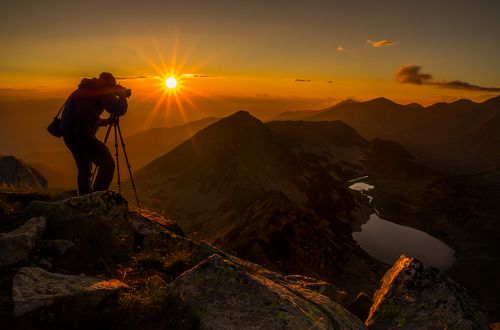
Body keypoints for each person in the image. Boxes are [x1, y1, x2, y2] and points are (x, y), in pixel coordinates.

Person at [60, 72, 128, 195]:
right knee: (107, 165)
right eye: (113, 86)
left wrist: (105, 122)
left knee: (84, 168)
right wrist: (122, 96)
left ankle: (85, 198)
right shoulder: (101, 90)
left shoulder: (86, 88)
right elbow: (119, 109)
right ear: (107, 84)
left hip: (69, 134)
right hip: (80, 136)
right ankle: (97, 197)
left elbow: (83, 115)